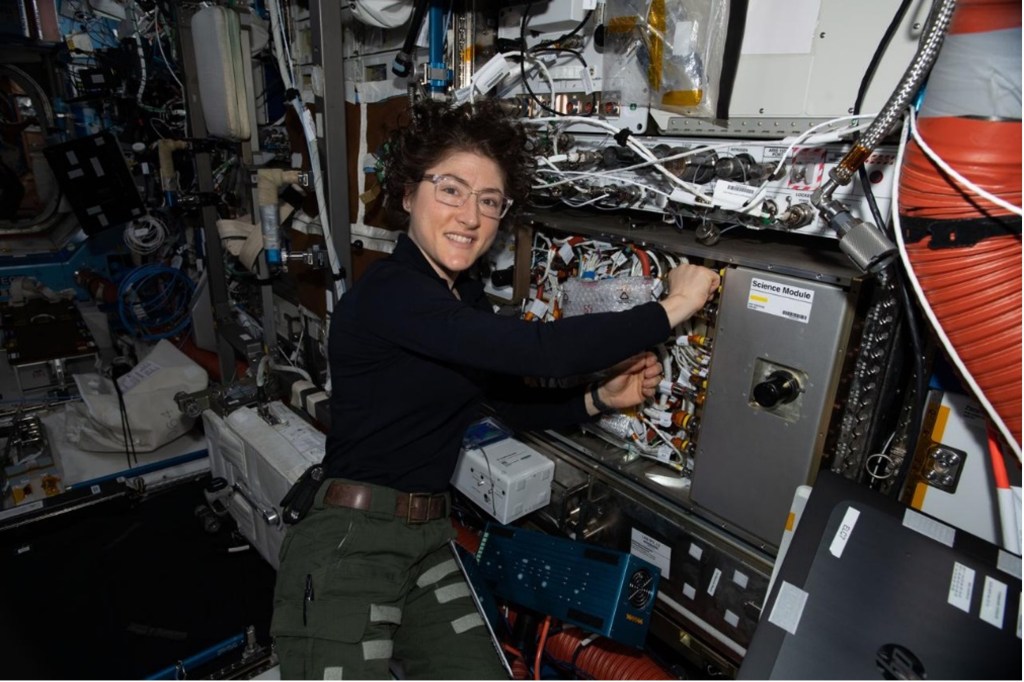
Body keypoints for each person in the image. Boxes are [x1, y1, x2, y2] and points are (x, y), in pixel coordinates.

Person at [270, 98, 720, 680]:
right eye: (451, 190)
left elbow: (498, 401)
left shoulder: (461, 299)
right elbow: (540, 350)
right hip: (351, 543)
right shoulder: (392, 292)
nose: (471, 216)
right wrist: (674, 306)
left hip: (427, 538)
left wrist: (597, 400)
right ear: (408, 194)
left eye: (489, 201)